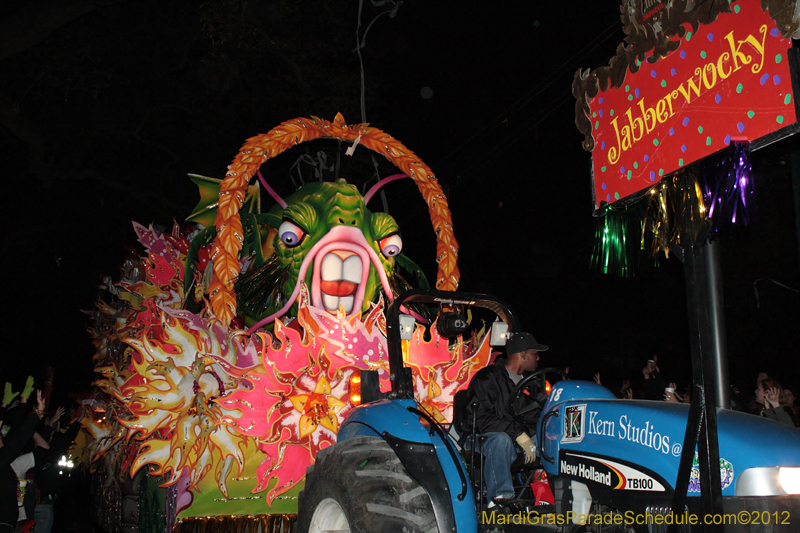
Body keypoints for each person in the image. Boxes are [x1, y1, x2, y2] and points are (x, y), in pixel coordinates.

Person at [461, 332, 549, 506]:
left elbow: (533, 418)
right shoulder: (487, 378)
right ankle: (501, 499)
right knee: (501, 440)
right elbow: (480, 419)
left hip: (514, 439)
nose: (538, 358)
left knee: (549, 439)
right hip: (479, 438)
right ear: (523, 355)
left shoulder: (531, 384)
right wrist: (518, 434)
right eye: (535, 353)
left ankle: (550, 495)